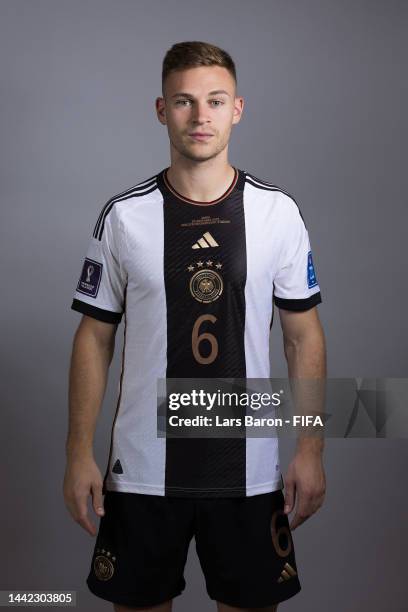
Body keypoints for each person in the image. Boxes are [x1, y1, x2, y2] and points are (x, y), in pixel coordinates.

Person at [63, 40, 327, 612]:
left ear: (237, 109)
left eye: (215, 101)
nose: (200, 116)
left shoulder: (277, 213)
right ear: (162, 110)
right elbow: (94, 337)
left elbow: (302, 335)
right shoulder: (124, 216)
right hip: (140, 473)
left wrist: (311, 446)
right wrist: (77, 451)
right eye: (184, 101)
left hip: (249, 474)